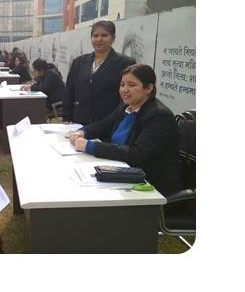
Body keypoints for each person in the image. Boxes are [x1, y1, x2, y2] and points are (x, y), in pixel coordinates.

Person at [67, 64, 181, 196]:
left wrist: (90, 146)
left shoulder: (159, 116)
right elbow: (104, 124)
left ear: (148, 88)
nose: (124, 90)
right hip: (122, 171)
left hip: (150, 184)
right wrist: (82, 132)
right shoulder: (127, 106)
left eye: (131, 85)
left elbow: (137, 154)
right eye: (122, 85)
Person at [64, 19, 135, 125]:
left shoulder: (125, 63)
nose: (99, 39)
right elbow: (69, 91)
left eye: (104, 35)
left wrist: (117, 120)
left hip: (109, 123)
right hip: (79, 123)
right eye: (95, 36)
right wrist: (67, 118)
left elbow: (127, 96)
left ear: (113, 38)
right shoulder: (79, 62)